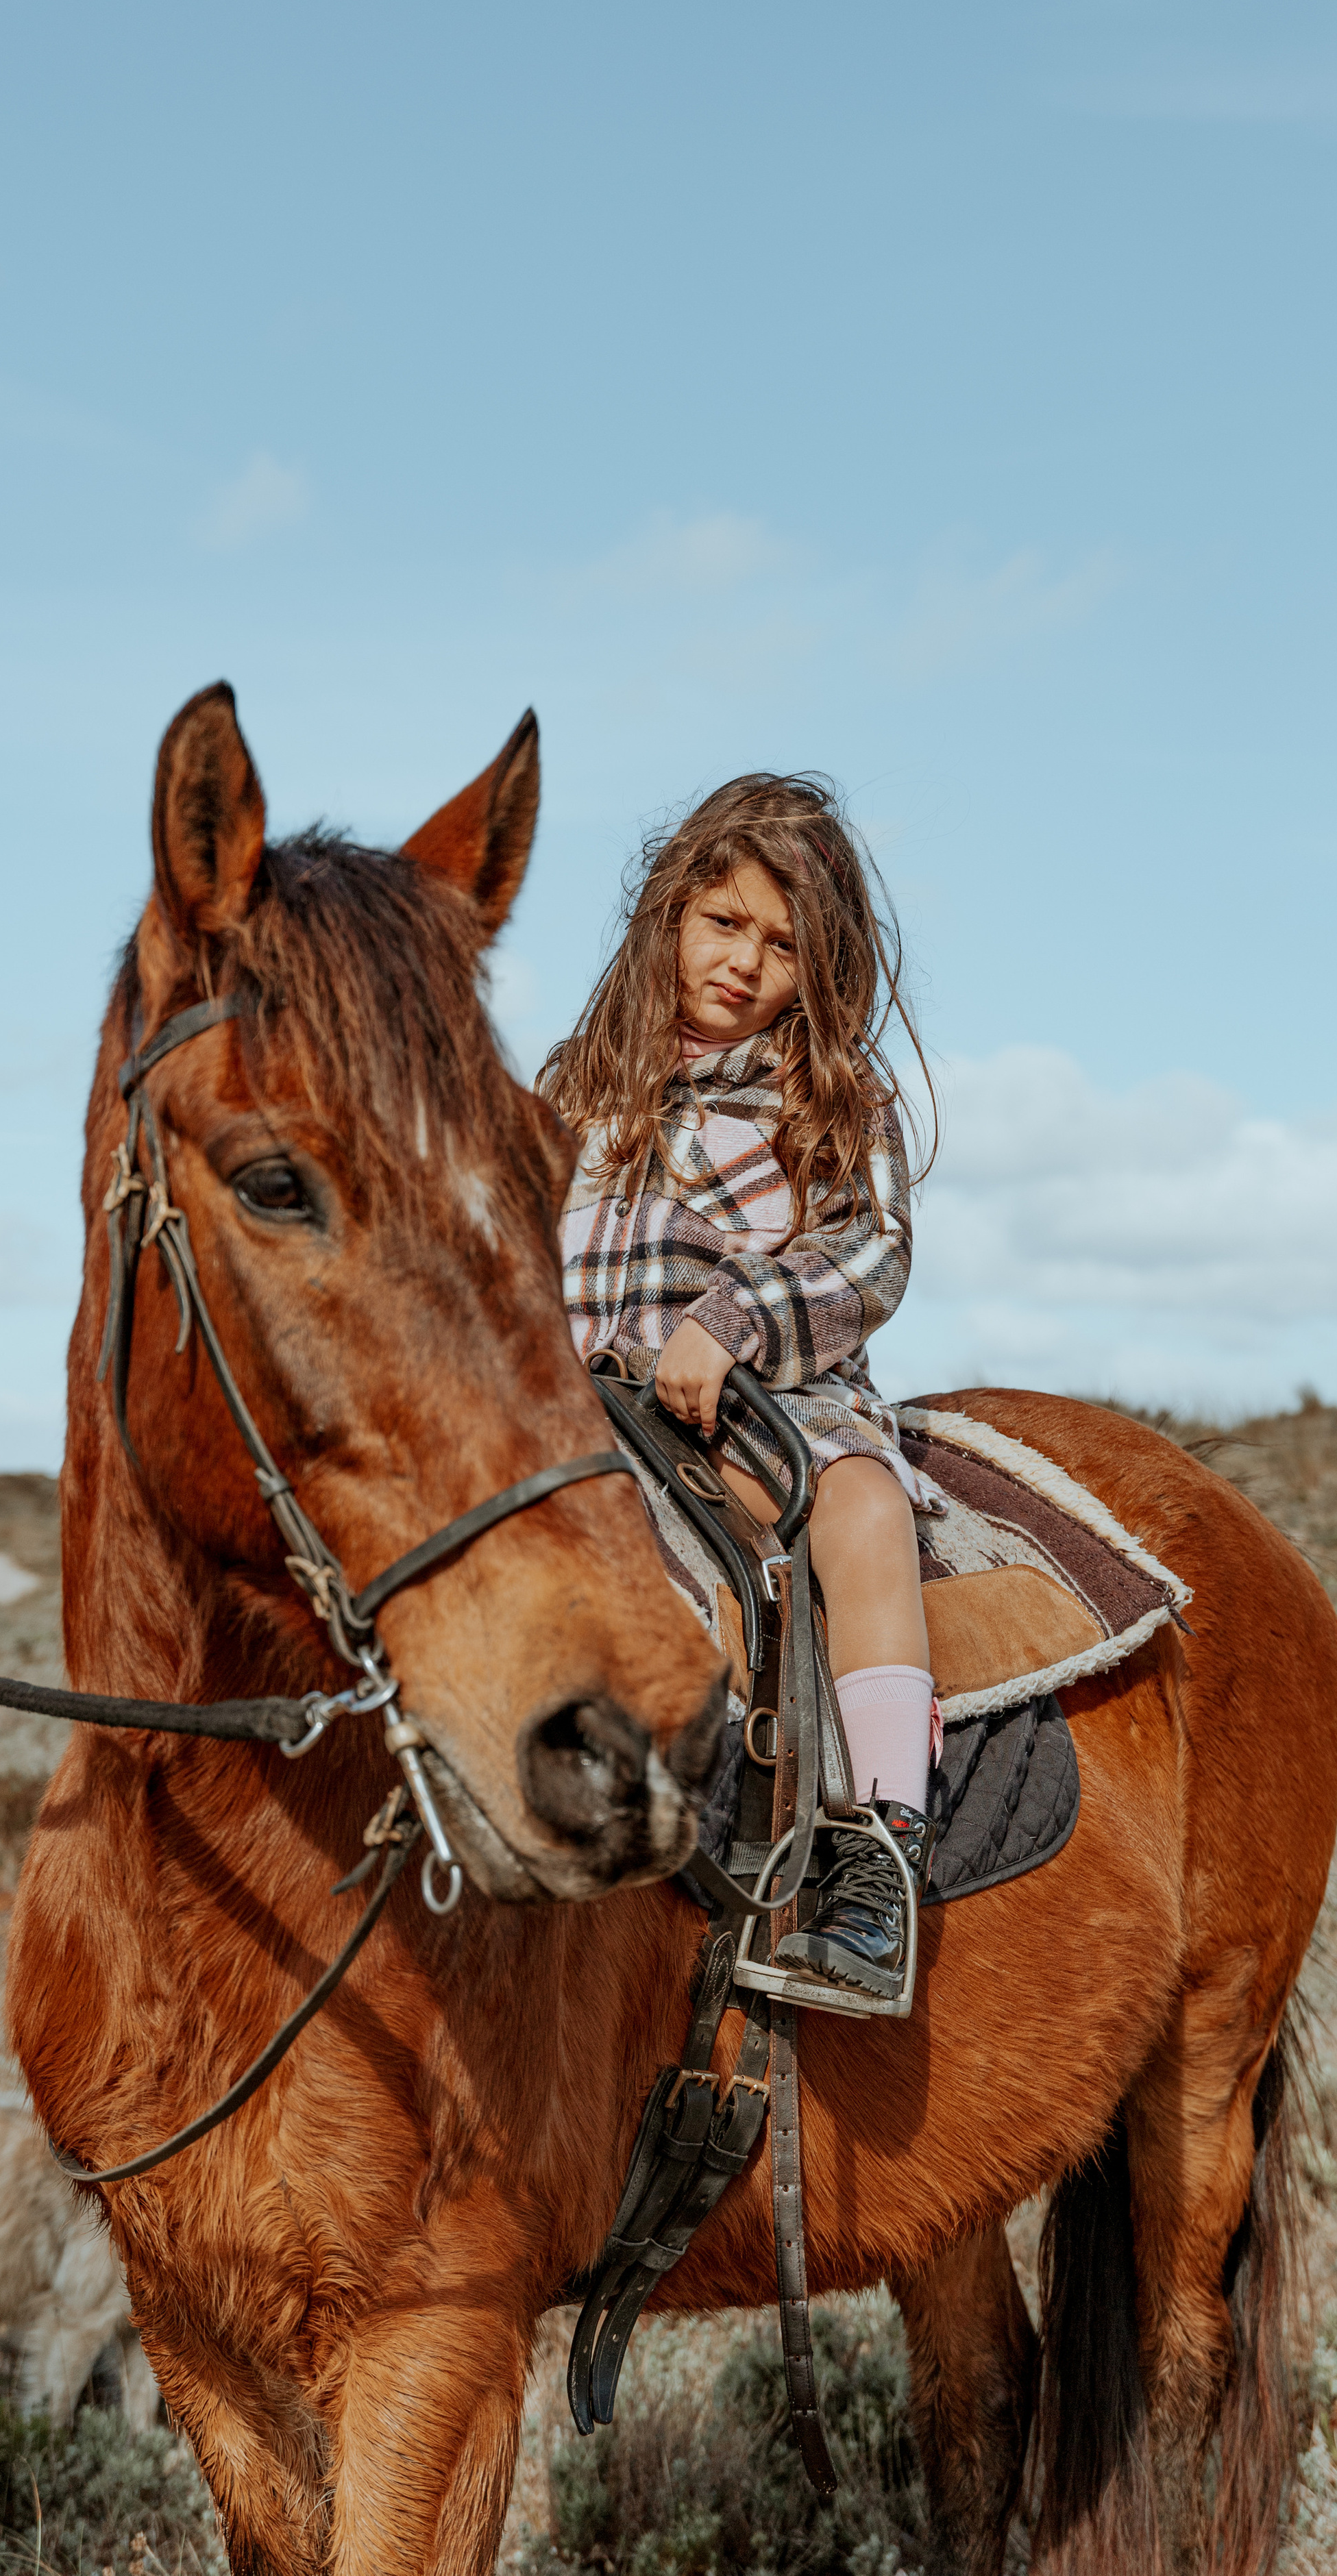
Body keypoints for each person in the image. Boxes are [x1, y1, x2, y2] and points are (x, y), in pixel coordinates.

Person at [539, 772, 943, 1998]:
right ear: (670, 914)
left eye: (781, 945)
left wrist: (734, 1323)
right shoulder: (577, 1085)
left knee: (864, 1509)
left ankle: (879, 1847)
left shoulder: (829, 1096)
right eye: (723, 924)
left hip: (766, 1400)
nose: (743, 963)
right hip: (581, 1405)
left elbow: (872, 1252)